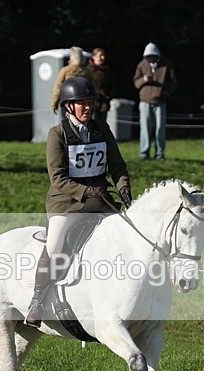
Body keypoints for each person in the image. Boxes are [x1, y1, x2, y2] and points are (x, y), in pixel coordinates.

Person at [25, 77, 132, 328]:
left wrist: (123, 186)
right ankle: (37, 301)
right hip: (66, 204)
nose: (86, 108)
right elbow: (58, 178)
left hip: (100, 200)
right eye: (80, 104)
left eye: (89, 103)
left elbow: (117, 165)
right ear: (68, 107)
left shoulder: (102, 130)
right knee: (54, 245)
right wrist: (85, 191)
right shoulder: (57, 134)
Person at [133, 42, 177, 161]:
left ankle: (160, 154)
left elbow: (173, 82)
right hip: (145, 101)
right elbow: (136, 83)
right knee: (145, 129)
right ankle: (144, 153)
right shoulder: (141, 65)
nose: (151, 58)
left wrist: (165, 93)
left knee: (160, 129)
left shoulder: (166, 65)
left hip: (160, 101)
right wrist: (144, 80)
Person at [51, 47, 92, 115]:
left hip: (68, 102)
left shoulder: (65, 70)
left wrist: (54, 103)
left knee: (68, 123)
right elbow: (91, 87)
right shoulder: (87, 72)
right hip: (84, 102)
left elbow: (58, 88)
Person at [86, 48, 114, 123]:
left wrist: (108, 96)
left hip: (103, 105)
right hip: (92, 106)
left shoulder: (107, 71)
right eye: (100, 56)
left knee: (102, 129)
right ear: (93, 57)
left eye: (103, 56)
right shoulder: (87, 71)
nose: (103, 58)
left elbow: (112, 86)